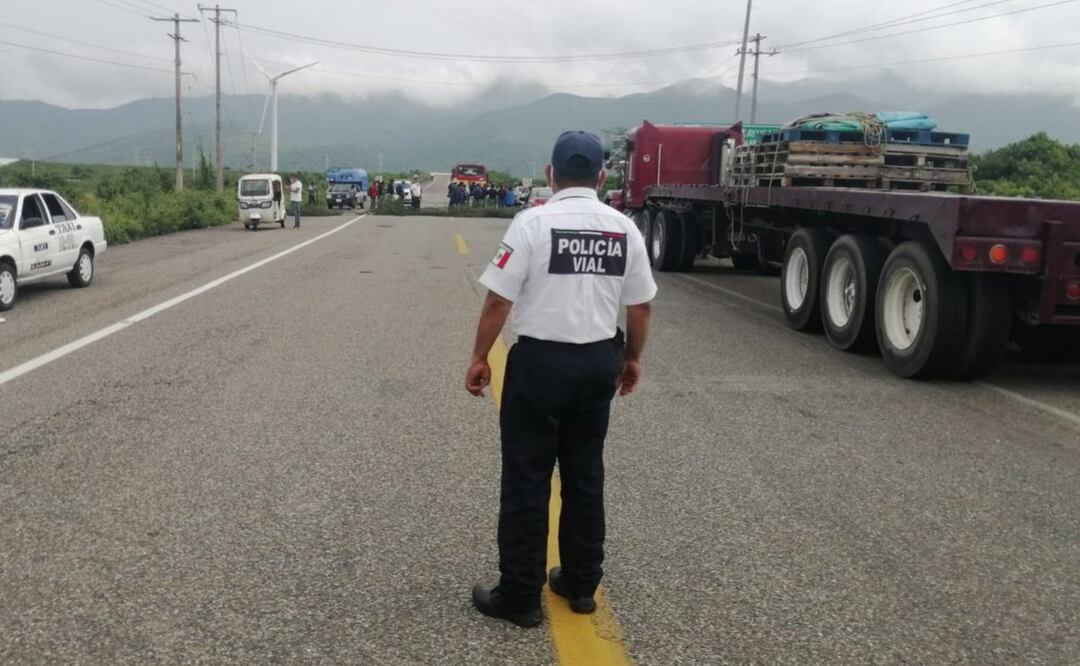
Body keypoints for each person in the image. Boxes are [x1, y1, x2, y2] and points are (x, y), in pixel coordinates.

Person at [465, 131, 657, 628]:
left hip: (538, 366)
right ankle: (580, 583)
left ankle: (520, 596)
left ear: (551, 175)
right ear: (602, 176)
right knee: (584, 474)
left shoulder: (532, 223)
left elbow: (498, 299)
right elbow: (640, 306)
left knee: (527, 478)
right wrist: (632, 359)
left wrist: (480, 356)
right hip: (597, 363)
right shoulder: (624, 228)